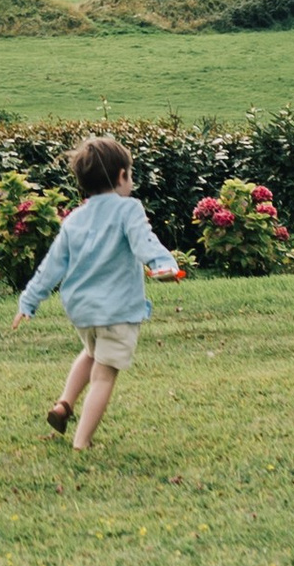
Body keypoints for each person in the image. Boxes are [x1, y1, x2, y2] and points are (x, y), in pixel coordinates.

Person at [13, 135, 184, 451]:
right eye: (130, 175)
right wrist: (164, 265)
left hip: (82, 310)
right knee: (104, 375)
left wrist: (29, 300)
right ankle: (82, 441)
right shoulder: (128, 209)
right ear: (121, 176)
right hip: (116, 310)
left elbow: (52, 264)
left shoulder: (75, 219)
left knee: (92, 353)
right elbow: (144, 241)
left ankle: (64, 403)